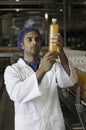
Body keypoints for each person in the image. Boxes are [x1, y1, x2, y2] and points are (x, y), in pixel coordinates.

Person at [4, 27, 77, 130]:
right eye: (29, 39)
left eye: (37, 39)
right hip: (28, 126)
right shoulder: (13, 70)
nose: (34, 42)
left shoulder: (52, 64)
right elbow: (17, 94)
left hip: (53, 125)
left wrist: (61, 52)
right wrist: (43, 69)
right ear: (22, 45)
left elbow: (69, 80)